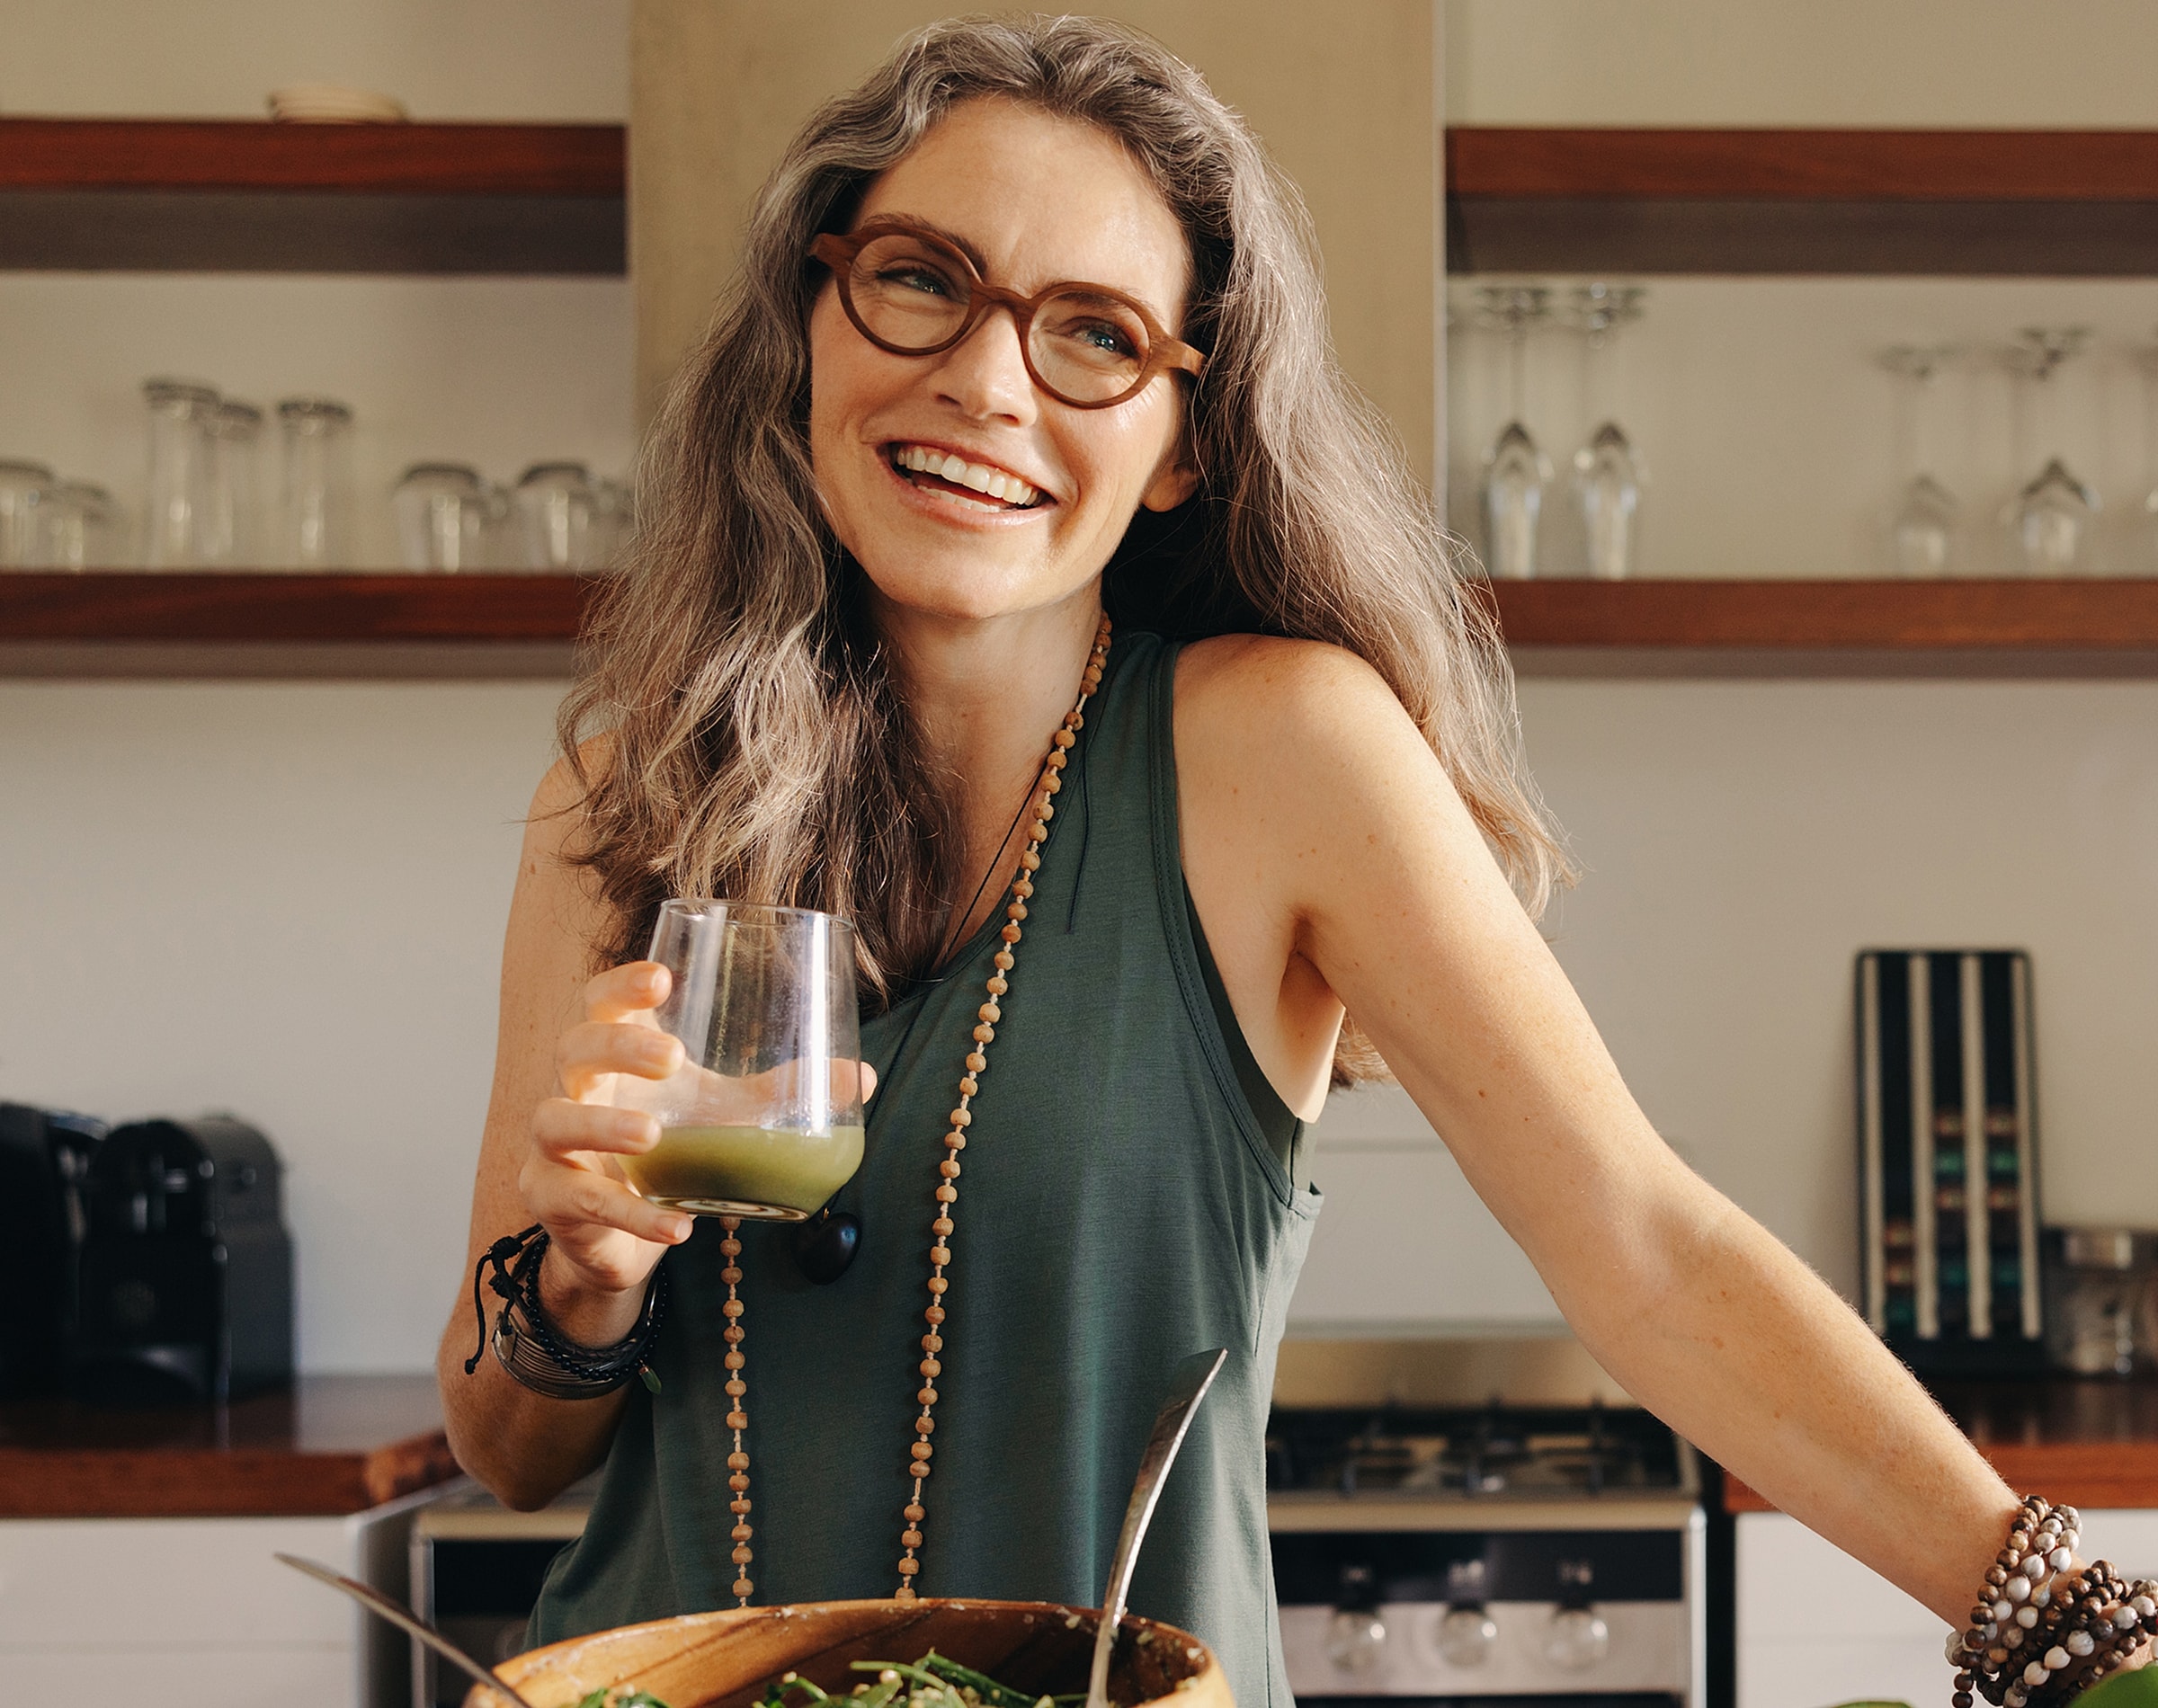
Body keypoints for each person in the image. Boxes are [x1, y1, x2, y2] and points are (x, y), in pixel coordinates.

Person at [439, 16, 2151, 1708]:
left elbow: (1640, 1243)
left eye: (1095, 334)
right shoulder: (629, 788)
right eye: (918, 278)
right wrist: (579, 1288)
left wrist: (2067, 1621)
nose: (984, 377)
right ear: (815, 319)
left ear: (1185, 439)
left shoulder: (1282, 755)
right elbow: (506, 1445)